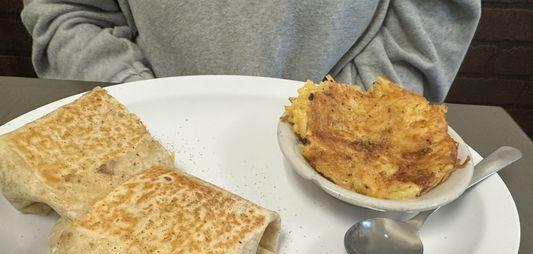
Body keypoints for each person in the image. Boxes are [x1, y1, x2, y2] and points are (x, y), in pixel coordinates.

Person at [21, 0, 481, 102]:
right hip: (141, 138)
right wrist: (140, 106)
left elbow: (432, 12)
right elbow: (69, 13)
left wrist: (343, 122)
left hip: (348, 154)